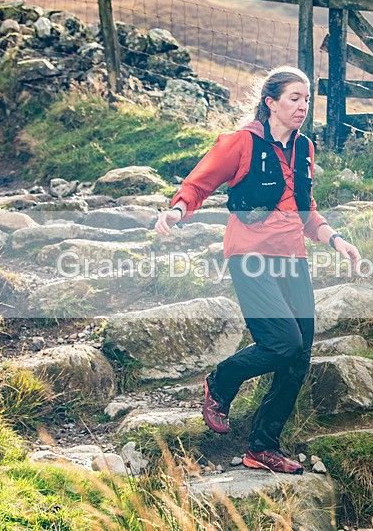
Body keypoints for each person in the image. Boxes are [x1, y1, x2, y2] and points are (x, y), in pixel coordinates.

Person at [154, 66, 360, 474]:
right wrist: (177, 210)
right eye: (294, 98)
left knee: (299, 353)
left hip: (292, 256)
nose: (303, 106)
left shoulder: (305, 149)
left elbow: (306, 209)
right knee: (281, 341)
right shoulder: (241, 142)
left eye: (306, 98)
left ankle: (262, 447)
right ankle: (222, 381)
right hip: (249, 254)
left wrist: (336, 239)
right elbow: (199, 183)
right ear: (271, 102)